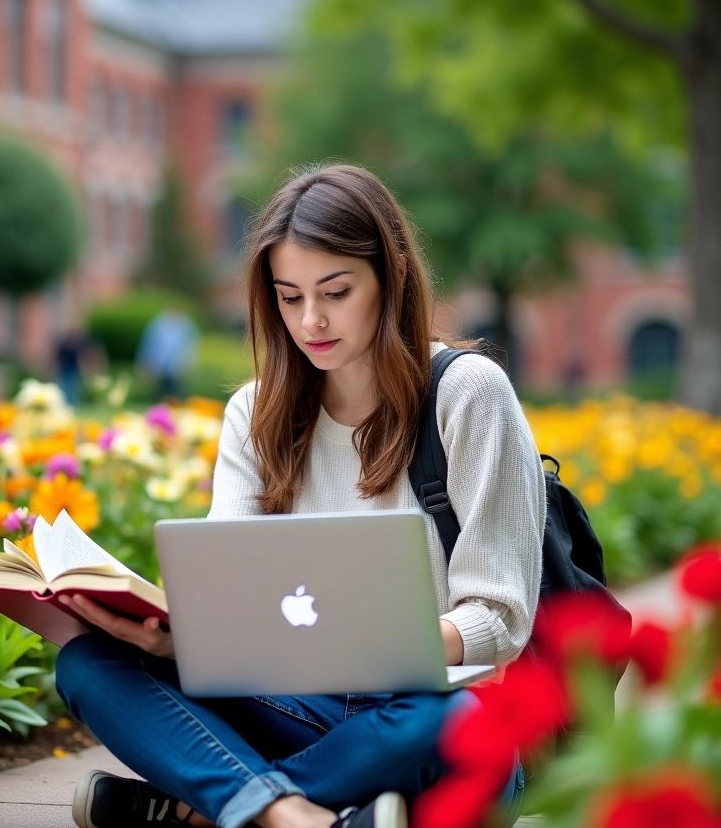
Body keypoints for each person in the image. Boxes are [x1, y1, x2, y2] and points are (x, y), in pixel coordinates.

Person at [54, 164, 546, 828]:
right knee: (89, 664)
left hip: (427, 716)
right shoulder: (254, 414)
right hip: (294, 711)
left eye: (336, 292)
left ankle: (210, 809)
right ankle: (295, 816)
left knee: (451, 720)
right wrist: (183, 641)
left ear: (391, 276)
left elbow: (501, 621)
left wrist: (377, 642)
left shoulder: (468, 395)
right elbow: (231, 598)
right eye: (289, 298)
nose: (311, 320)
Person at [136, 306, 198, 400]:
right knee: (159, 396)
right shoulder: (157, 325)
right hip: (159, 368)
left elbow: (190, 348)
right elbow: (149, 345)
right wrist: (146, 365)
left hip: (177, 368)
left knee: (176, 397)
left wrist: (187, 365)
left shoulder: (187, 327)